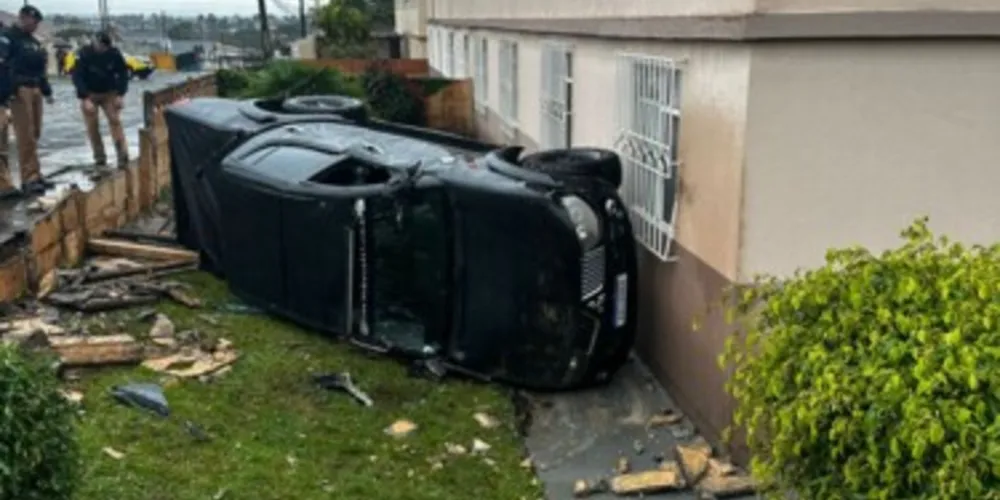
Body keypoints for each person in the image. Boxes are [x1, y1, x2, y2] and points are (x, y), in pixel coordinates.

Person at [0, 5, 54, 196]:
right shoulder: (9, 38)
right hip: (19, 89)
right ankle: (28, 178)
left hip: (35, 87)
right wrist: (7, 91)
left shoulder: (33, 42)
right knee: (26, 134)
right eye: (33, 21)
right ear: (23, 18)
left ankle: (35, 173)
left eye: (37, 22)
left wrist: (46, 91)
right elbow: (3, 65)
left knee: (35, 133)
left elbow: (41, 69)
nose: (35, 25)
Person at [72, 31, 129, 169]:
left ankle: (122, 155)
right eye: (101, 46)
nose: (102, 49)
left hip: (109, 92)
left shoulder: (114, 53)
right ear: (95, 43)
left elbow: (123, 74)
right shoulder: (84, 53)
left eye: (105, 47)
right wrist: (85, 98)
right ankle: (99, 157)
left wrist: (120, 95)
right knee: (92, 126)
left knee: (115, 121)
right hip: (90, 93)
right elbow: (77, 77)